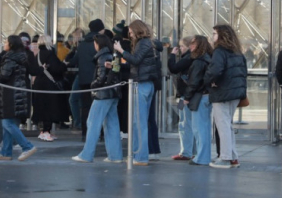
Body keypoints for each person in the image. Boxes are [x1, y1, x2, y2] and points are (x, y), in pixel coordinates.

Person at [114, 20, 159, 166]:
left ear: (137, 30)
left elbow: (136, 60)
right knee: (138, 122)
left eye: (131, 31)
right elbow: (137, 62)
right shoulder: (146, 43)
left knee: (139, 123)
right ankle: (136, 155)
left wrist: (121, 51)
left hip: (142, 84)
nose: (130, 34)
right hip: (145, 83)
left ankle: (140, 157)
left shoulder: (143, 43)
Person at [72, 34, 122, 163]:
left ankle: (87, 155)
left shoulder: (102, 57)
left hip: (103, 94)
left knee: (92, 123)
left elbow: (101, 78)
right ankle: (115, 156)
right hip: (113, 94)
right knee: (112, 124)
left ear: (98, 44)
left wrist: (92, 86)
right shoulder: (111, 55)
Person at [204, 24, 247, 169]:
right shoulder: (237, 52)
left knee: (222, 125)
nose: (212, 36)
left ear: (221, 36)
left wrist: (209, 81)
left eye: (214, 33)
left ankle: (225, 157)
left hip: (222, 92)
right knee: (227, 125)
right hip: (235, 93)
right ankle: (233, 157)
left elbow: (215, 70)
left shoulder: (219, 51)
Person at [0, 35, 37, 162]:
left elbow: (4, 76)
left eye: (6, 42)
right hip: (20, 93)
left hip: (10, 94)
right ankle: (6, 152)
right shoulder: (23, 56)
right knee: (11, 123)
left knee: (7, 123)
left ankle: (27, 146)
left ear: (11, 44)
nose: (4, 44)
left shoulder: (10, 58)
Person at [69, 19, 104, 140]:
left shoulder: (82, 44)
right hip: (98, 80)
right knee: (99, 106)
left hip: (84, 79)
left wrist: (65, 63)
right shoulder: (100, 42)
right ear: (100, 29)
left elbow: (74, 60)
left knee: (85, 107)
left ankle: (85, 133)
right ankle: (99, 132)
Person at [183, 35, 213, 166]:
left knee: (199, 128)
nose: (190, 46)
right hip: (207, 95)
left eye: (193, 44)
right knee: (204, 128)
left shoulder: (199, 62)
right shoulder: (208, 58)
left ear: (199, 45)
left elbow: (194, 82)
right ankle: (204, 156)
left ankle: (202, 157)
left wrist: (187, 97)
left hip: (199, 96)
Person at [32, 34, 67, 142]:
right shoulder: (50, 54)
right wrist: (64, 65)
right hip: (48, 85)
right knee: (50, 108)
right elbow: (57, 69)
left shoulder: (38, 54)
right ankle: (46, 131)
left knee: (42, 107)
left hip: (39, 83)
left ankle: (44, 131)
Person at [168, 37, 194, 160]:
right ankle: (191, 150)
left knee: (184, 123)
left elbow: (173, 68)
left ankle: (186, 152)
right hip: (186, 95)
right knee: (188, 122)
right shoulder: (193, 58)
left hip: (184, 95)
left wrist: (172, 55)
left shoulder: (187, 58)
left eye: (182, 46)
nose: (180, 49)